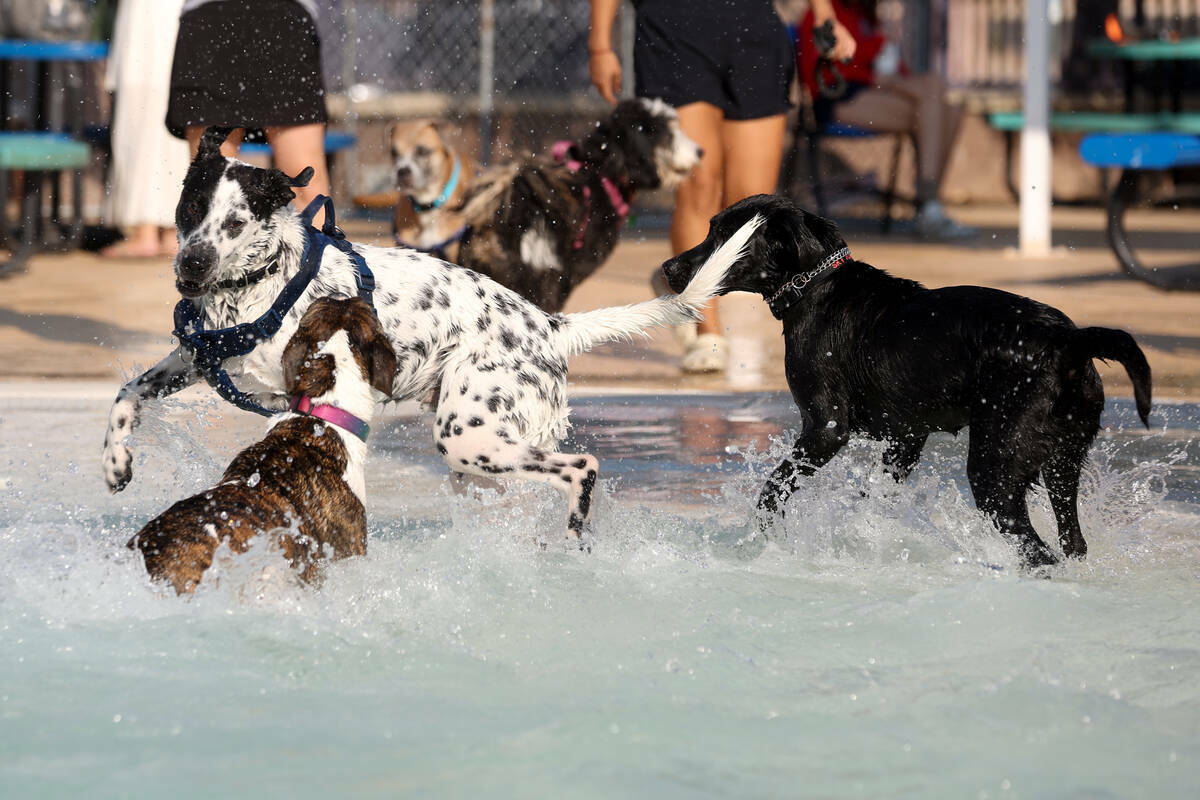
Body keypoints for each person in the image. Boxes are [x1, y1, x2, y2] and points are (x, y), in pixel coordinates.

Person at [588, 0, 795, 374]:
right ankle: (706, 331)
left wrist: (825, 16)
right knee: (699, 182)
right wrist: (600, 45)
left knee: (752, 206)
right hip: (673, 28)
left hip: (754, 29)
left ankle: (675, 277)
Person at [799, 0, 973, 239]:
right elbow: (839, 72)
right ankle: (928, 204)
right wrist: (883, 76)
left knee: (947, 108)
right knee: (932, 96)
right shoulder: (824, 12)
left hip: (871, 89)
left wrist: (889, 75)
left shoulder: (866, 16)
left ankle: (929, 204)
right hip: (839, 96)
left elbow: (889, 66)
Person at [166, 0, 330, 218]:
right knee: (213, 188)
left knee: (304, 185)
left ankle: (318, 251)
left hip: (285, 22)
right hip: (210, 21)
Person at [100, 0, 190, 258]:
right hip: (178, 20)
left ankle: (147, 231)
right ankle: (172, 230)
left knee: (143, 119)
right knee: (171, 121)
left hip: (150, 23)